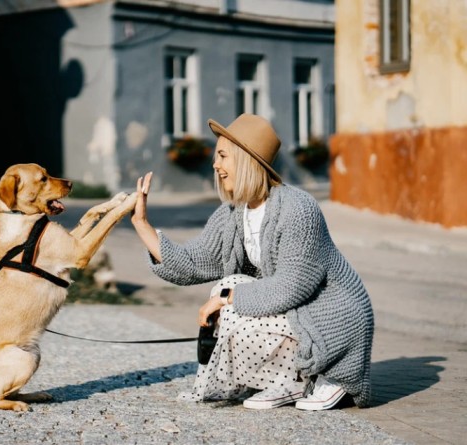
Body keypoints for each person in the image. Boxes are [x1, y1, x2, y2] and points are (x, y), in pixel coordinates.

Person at [131, 114, 374, 410]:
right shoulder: (234, 213)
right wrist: (142, 224)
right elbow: (193, 262)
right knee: (228, 286)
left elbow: (291, 287)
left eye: (222, 156)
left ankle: (322, 376)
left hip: (331, 317)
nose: (215, 165)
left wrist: (225, 299)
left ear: (246, 159)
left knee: (229, 295)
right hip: (295, 312)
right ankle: (284, 382)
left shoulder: (299, 210)